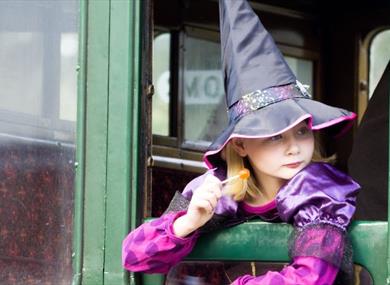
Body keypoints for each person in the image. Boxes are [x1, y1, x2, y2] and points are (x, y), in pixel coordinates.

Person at [122, 0, 360, 284]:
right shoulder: (218, 191)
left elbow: (312, 278)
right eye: (275, 135)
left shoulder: (320, 194)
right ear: (240, 144)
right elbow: (134, 256)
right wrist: (189, 221)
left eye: (302, 131)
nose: (293, 146)